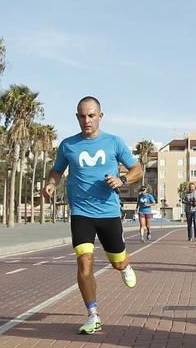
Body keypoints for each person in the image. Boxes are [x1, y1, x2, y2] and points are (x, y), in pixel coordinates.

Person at [44, 97, 142, 334]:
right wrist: (50, 184)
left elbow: (137, 169)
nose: (86, 120)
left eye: (91, 115)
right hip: (81, 212)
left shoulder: (114, 142)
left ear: (100, 116)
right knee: (84, 262)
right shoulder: (68, 145)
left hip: (108, 213)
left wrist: (122, 180)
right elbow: (57, 170)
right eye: (82, 116)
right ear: (77, 117)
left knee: (117, 262)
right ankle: (93, 314)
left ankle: (126, 266)